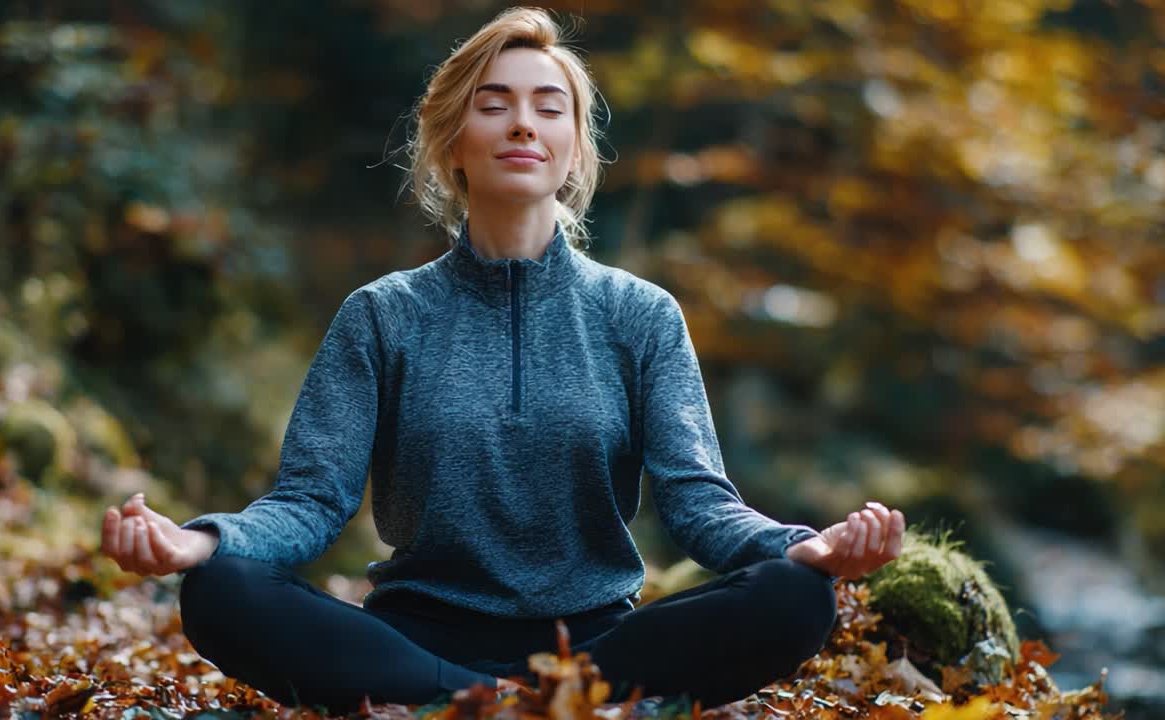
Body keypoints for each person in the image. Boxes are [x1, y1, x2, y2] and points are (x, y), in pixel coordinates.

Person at [99, 6, 904, 715]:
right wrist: (200, 544)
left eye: (548, 108)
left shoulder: (641, 315)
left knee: (795, 598)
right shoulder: (382, 315)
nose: (523, 124)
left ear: (572, 150)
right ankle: (487, 702)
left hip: (596, 646)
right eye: (496, 106)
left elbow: (698, 504)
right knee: (222, 593)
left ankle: (507, 702)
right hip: (413, 640)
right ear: (454, 142)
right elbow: (311, 501)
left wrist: (801, 548)